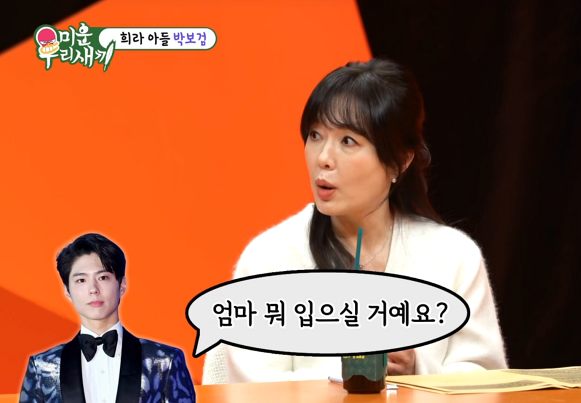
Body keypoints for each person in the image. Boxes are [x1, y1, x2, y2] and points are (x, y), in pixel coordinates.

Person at [202, 58, 507, 384]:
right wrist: (347, 370)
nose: (323, 158)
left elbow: (487, 381)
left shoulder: (454, 257)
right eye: (316, 135)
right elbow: (254, 389)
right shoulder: (270, 258)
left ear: (400, 161)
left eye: (348, 141)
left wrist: (417, 368)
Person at [20, 233, 196, 403]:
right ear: (67, 290)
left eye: (103, 277)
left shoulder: (164, 361)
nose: (93, 289)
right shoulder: (43, 366)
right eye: (81, 280)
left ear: (122, 284)